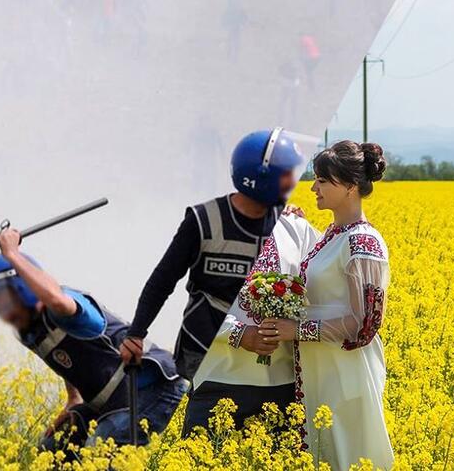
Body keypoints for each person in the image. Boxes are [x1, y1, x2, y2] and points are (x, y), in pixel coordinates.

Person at [0, 228, 187, 454]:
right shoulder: (30, 332)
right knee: (53, 448)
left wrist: (13, 256)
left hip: (157, 391)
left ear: (23, 289)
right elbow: (69, 358)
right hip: (115, 403)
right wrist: (74, 399)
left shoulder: (64, 307)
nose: (3, 314)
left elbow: (57, 300)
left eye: (4, 303)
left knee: (101, 448)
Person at [120, 127, 305, 381]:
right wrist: (136, 333)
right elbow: (163, 280)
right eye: (286, 174)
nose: (292, 182)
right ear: (262, 177)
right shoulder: (201, 221)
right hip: (203, 350)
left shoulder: (284, 220)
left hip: (259, 358)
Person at [255, 140, 394, 470]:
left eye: (322, 179)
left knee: (348, 455)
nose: (313, 187)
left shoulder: (363, 241)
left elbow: (363, 324)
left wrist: (296, 330)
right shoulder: (335, 234)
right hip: (323, 369)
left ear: (348, 186)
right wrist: (287, 218)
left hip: (344, 372)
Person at [181, 205, 319, 435]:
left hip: (282, 387)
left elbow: (323, 288)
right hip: (218, 381)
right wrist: (238, 333)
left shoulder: (298, 229)